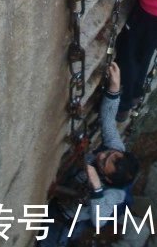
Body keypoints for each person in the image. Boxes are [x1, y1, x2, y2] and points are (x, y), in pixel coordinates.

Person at [45, 62, 139, 245]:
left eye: (104, 163)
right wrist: (114, 89)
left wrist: (97, 188)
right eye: (108, 154)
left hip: (64, 218)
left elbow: (99, 220)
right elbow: (108, 121)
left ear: (108, 179)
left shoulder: (114, 194)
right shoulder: (116, 148)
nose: (102, 156)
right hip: (64, 187)